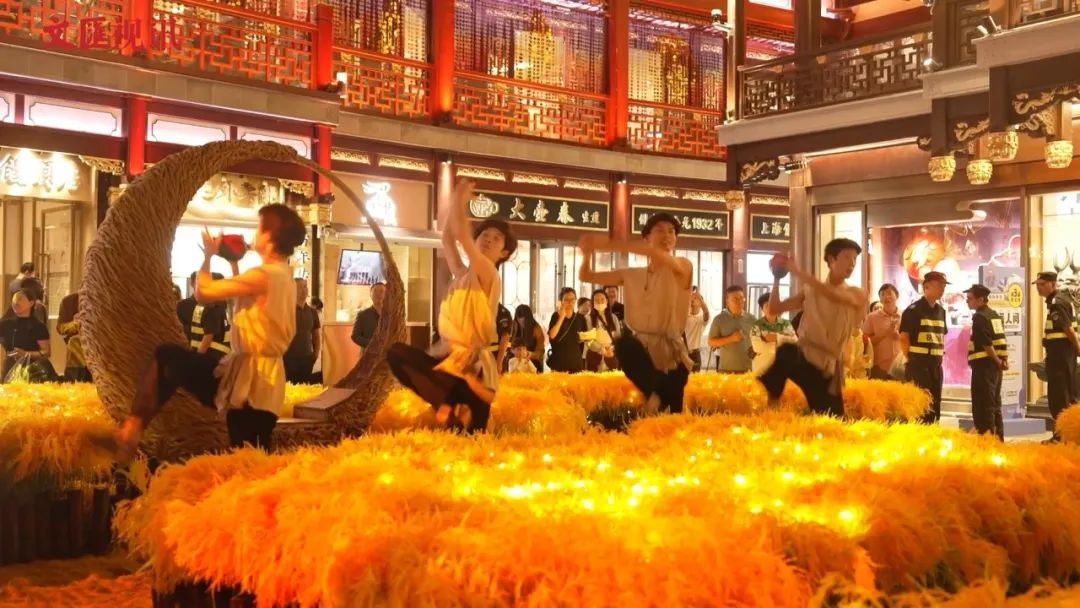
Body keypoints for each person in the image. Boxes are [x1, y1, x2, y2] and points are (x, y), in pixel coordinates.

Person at [98, 203, 306, 460]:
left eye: (259, 228)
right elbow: (250, 302)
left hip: (252, 382)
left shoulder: (264, 275)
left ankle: (131, 430)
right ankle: (131, 430)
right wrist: (233, 264)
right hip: (259, 379)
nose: (254, 234)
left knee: (248, 458)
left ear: (270, 237)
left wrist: (208, 256)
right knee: (168, 359)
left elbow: (203, 293)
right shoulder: (283, 275)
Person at [386, 180, 513, 433]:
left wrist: (460, 200)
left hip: (474, 368)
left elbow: (462, 236)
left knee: (473, 435)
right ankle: (447, 402)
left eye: (497, 239)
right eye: (485, 236)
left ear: (504, 253)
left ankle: (451, 403)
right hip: (449, 360)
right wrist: (455, 201)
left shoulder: (488, 272)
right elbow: (448, 239)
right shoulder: (463, 274)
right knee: (397, 354)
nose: (488, 240)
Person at [578, 213, 693, 414]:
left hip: (671, 354)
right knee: (624, 344)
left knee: (671, 414)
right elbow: (586, 275)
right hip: (642, 355)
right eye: (660, 230)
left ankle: (659, 393)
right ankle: (656, 393)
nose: (667, 235)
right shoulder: (633, 274)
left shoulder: (683, 266)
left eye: (671, 231)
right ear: (647, 237)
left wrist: (608, 244)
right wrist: (587, 253)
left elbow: (659, 256)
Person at [759, 240, 869, 417]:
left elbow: (832, 295)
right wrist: (777, 278)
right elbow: (775, 308)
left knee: (832, 419)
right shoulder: (810, 289)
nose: (852, 263)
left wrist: (797, 271)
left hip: (827, 370)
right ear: (831, 259)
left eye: (855, 259)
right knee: (787, 351)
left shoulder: (857, 293)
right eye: (847, 257)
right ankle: (772, 399)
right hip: (804, 359)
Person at [900, 271, 949, 424]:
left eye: (944, 286)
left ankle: (933, 432)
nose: (942, 289)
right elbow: (904, 338)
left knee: (935, 404)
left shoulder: (941, 311)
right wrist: (910, 360)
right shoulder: (913, 311)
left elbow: (941, 336)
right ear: (926, 287)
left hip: (936, 366)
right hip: (918, 366)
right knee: (920, 405)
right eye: (939, 286)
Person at [1035, 271, 1080, 435]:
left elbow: (1068, 329)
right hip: (1061, 356)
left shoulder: (1057, 302)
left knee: (1060, 396)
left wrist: (1077, 348)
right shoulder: (1059, 301)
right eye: (1037, 285)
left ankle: (1062, 435)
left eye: (1042, 284)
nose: (1039, 288)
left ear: (1053, 284)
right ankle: (1063, 434)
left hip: (1060, 357)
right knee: (1063, 394)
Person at [964, 284, 1007, 440]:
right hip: (995, 368)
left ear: (981, 299)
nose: (967, 301)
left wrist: (996, 360)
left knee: (983, 405)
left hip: (983, 367)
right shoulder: (994, 315)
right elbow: (1001, 340)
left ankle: (986, 440)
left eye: (970, 298)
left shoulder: (979, 317)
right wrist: (1002, 361)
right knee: (994, 404)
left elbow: (986, 343)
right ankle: (998, 439)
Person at [176, 271, 231, 365]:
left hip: (211, 357)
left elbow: (208, 337)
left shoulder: (213, 308)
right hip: (207, 356)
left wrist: (196, 359)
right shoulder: (205, 307)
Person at [0, 289, 53, 383]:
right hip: (9, 368)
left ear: (31, 303)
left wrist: (26, 354)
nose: (16, 302)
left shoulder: (38, 326)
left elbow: (46, 352)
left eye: (20, 299)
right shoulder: (5, 324)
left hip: (33, 370)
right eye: (14, 300)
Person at [708, 285, 756, 374]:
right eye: (735, 299)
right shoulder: (719, 319)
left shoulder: (751, 318)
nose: (740, 302)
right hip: (726, 370)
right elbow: (711, 342)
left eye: (742, 298)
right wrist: (731, 338)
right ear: (727, 301)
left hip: (748, 370)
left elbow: (757, 340)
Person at [283, 278, 321, 384]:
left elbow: (316, 336)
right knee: (289, 390)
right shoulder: (285, 311)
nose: (304, 290)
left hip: (306, 359)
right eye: (300, 287)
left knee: (305, 388)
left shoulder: (312, 312)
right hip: (288, 359)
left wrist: (315, 354)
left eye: (305, 286)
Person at [750, 291, 796, 377]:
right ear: (762, 309)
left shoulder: (785, 323)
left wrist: (777, 338)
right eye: (767, 305)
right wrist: (782, 343)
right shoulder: (757, 325)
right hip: (762, 367)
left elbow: (794, 342)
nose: (771, 308)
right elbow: (757, 347)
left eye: (774, 305)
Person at [863, 284, 903, 380]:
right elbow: (865, 342)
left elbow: (912, 341)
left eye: (889, 293)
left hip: (900, 367)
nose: (886, 297)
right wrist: (885, 333)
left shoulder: (905, 316)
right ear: (880, 299)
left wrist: (899, 337)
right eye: (882, 294)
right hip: (879, 367)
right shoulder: (872, 317)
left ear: (897, 296)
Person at [547, 287, 588, 373]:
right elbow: (552, 335)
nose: (570, 302)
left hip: (576, 362)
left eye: (572, 299)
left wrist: (586, 338)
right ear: (561, 301)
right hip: (558, 363)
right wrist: (562, 317)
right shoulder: (555, 316)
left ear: (575, 300)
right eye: (566, 300)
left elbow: (583, 339)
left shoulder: (580, 318)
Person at [57, 292, 91, 382]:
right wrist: (76, 324)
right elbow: (60, 328)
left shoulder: (103, 300)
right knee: (75, 341)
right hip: (77, 346)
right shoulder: (69, 301)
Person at [585, 288, 622, 372]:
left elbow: (618, 337)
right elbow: (588, 340)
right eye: (596, 300)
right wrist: (600, 349)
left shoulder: (613, 317)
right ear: (593, 302)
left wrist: (612, 348)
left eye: (602, 299)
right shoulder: (588, 318)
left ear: (606, 301)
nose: (600, 302)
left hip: (611, 355)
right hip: (594, 356)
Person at [510, 304, 546, 372]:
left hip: (533, 364)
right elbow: (510, 344)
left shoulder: (537, 329)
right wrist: (513, 350)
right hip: (517, 364)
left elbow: (541, 352)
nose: (521, 324)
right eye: (519, 320)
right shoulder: (515, 326)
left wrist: (531, 354)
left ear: (529, 320)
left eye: (524, 321)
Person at [351, 282, 386, 349]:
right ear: (371, 295)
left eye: (381, 291)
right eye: (375, 291)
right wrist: (372, 344)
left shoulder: (391, 315)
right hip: (368, 353)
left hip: (387, 354)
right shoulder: (362, 315)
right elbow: (355, 336)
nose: (378, 294)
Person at [685, 289, 710, 372]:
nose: (693, 300)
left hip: (695, 354)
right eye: (691, 298)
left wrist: (700, 299)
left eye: (695, 298)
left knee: (694, 378)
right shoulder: (684, 317)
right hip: (682, 353)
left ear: (700, 303)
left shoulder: (701, 319)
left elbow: (706, 312)